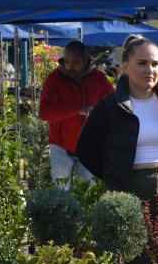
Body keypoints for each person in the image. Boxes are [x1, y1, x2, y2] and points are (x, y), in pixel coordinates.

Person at [75, 35, 158, 264]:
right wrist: (116, 175)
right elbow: (85, 150)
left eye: (155, 64)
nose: (149, 70)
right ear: (125, 67)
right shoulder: (109, 106)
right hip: (125, 192)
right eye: (141, 63)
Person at [39, 40, 114, 189]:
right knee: (61, 197)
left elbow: (113, 104)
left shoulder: (99, 78)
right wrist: (77, 109)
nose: (69, 66)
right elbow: (45, 112)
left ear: (85, 60)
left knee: (89, 195)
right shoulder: (54, 79)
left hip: (89, 147)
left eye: (74, 62)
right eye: (66, 61)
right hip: (61, 147)